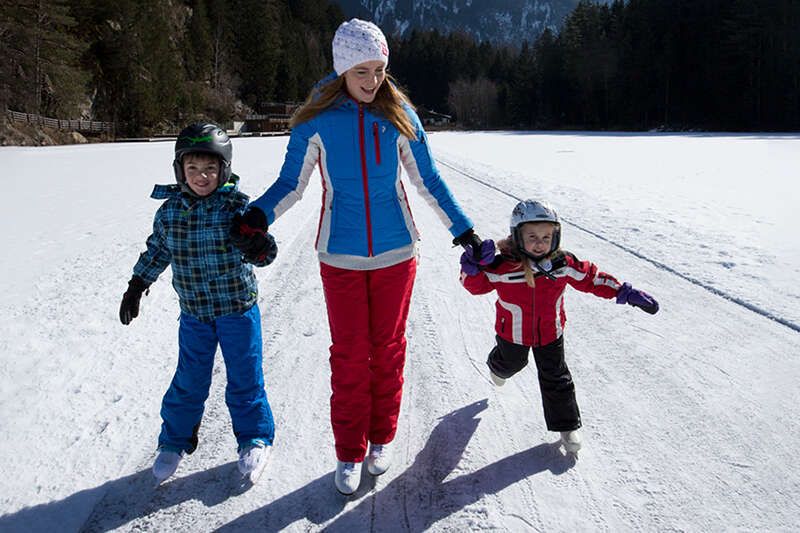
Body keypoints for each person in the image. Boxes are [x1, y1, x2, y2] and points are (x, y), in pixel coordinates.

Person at [229, 19, 482, 495]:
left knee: (387, 350)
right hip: (340, 255)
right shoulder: (315, 120)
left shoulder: (400, 113)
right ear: (342, 69)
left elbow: (428, 180)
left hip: (397, 253)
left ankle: (381, 437)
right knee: (348, 356)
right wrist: (258, 216)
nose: (372, 81)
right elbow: (291, 184)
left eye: (379, 70)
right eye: (362, 71)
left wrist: (462, 229)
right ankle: (348, 449)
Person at [119, 123, 278, 484]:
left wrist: (258, 247)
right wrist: (137, 283)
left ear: (223, 170)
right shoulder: (171, 212)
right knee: (189, 380)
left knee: (244, 378)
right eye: (192, 169)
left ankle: (254, 437)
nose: (201, 176)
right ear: (180, 171)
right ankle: (174, 440)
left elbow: (265, 252)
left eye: (209, 168)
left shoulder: (238, 208)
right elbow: (158, 250)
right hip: (195, 315)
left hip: (238, 310)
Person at [459, 199, 659, 455]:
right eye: (532, 236)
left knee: (557, 377)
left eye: (546, 236)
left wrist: (624, 292)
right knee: (512, 364)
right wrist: (472, 268)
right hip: (513, 333)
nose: (540, 243)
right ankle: (497, 366)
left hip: (551, 332)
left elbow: (591, 279)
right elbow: (475, 287)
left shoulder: (562, 263)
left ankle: (567, 426)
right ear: (517, 235)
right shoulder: (501, 266)